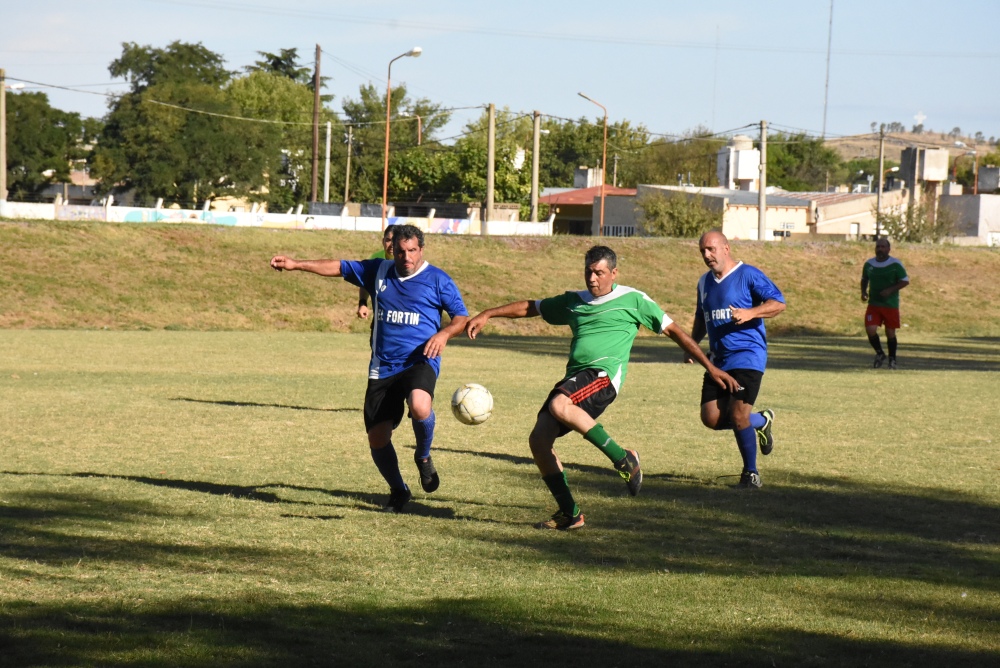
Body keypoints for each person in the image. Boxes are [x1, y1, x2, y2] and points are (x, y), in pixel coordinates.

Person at [466, 245, 739, 531]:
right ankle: (570, 514)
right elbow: (531, 307)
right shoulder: (574, 301)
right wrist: (488, 314)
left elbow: (674, 330)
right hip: (574, 379)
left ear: (614, 273)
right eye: (589, 272)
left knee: (560, 405)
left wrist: (711, 367)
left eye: (599, 272)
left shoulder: (633, 299)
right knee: (539, 440)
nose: (593, 279)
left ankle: (623, 458)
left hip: (601, 377)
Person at [270, 224, 469, 513]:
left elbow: (460, 317)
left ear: (421, 249)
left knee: (420, 405)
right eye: (400, 251)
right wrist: (296, 264)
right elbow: (338, 267)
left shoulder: (438, 279)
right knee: (377, 438)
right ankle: (399, 490)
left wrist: (443, 334)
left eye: (412, 250)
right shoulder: (378, 271)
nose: (406, 257)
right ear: (393, 250)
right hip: (383, 367)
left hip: (420, 360)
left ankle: (423, 457)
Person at [688, 230, 786, 489]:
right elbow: (701, 318)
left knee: (738, 414)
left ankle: (751, 474)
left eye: (711, 249)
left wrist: (751, 312)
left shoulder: (748, 274)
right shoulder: (703, 283)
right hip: (718, 360)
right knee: (711, 418)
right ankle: (762, 421)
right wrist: (692, 344)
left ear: (726, 248)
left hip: (748, 355)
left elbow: (779, 303)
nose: (707, 255)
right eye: (702, 251)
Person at [861, 238, 909, 370]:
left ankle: (892, 359)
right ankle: (880, 353)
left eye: (882, 247)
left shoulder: (895, 264)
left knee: (890, 333)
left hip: (890, 304)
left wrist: (890, 290)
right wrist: (863, 292)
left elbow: (905, 281)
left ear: (889, 249)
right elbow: (864, 278)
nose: (880, 249)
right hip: (874, 304)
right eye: (878, 247)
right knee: (870, 329)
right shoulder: (869, 264)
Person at [357, 225, 395, 319]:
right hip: (380, 315)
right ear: (383, 241)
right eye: (388, 240)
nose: (392, 244)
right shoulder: (375, 258)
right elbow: (366, 282)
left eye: (395, 240)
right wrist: (363, 303)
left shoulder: (406, 260)